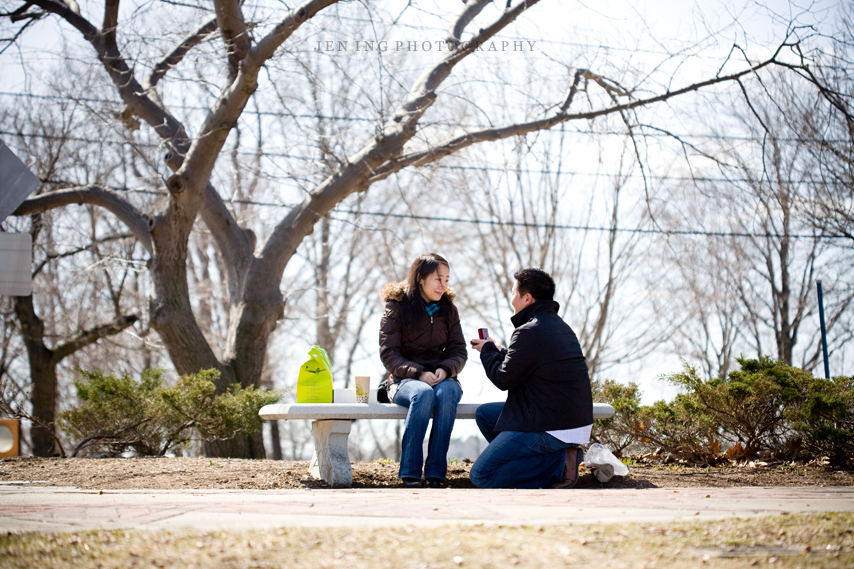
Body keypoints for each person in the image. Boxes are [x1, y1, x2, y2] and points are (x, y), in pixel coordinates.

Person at [469, 268, 593, 489]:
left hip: (552, 425)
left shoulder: (529, 331)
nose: (511, 298)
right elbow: (525, 364)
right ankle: (545, 461)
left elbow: (503, 379)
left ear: (527, 298)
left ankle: (558, 465)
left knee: (482, 476)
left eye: (514, 293)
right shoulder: (558, 327)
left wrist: (487, 351)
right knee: (486, 415)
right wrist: (496, 350)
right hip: (561, 417)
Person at [379, 253, 467, 488]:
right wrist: (418, 373)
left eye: (447, 280)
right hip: (403, 381)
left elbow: (459, 350)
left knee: (447, 393)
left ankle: (436, 473)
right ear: (420, 278)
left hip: (442, 378)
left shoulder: (448, 309)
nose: (444, 286)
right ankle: (410, 472)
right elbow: (389, 354)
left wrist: (446, 370)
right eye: (438, 279)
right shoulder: (397, 306)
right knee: (423, 393)